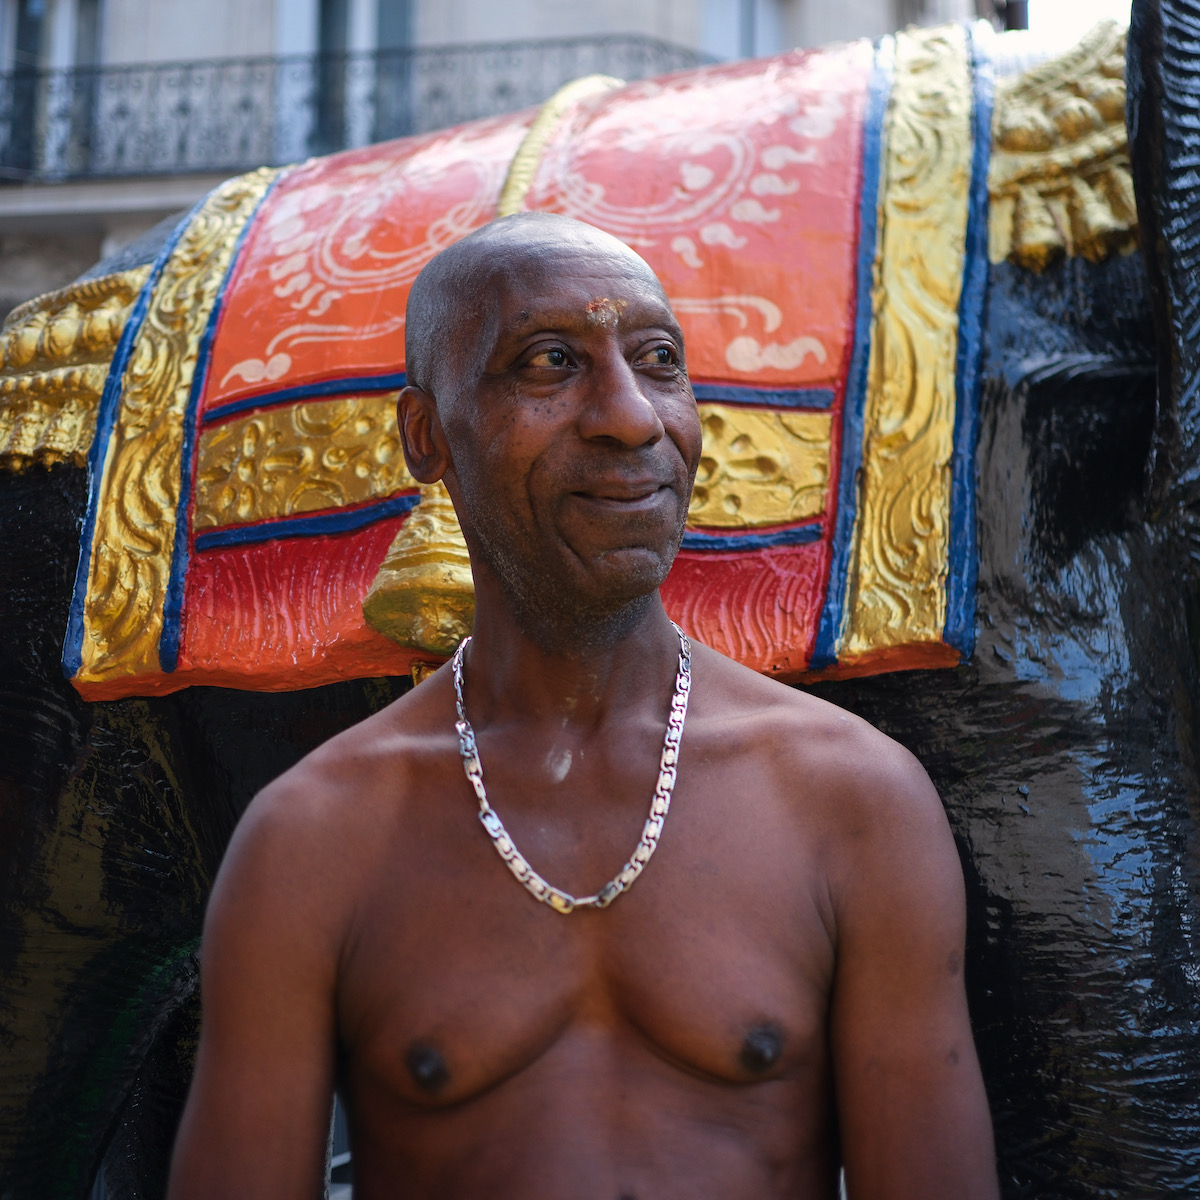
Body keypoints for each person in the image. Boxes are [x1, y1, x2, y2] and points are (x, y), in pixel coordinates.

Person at [167, 212, 999, 1199]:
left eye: (658, 362)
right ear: (426, 435)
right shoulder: (314, 840)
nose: (631, 417)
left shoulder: (853, 802)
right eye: (549, 363)